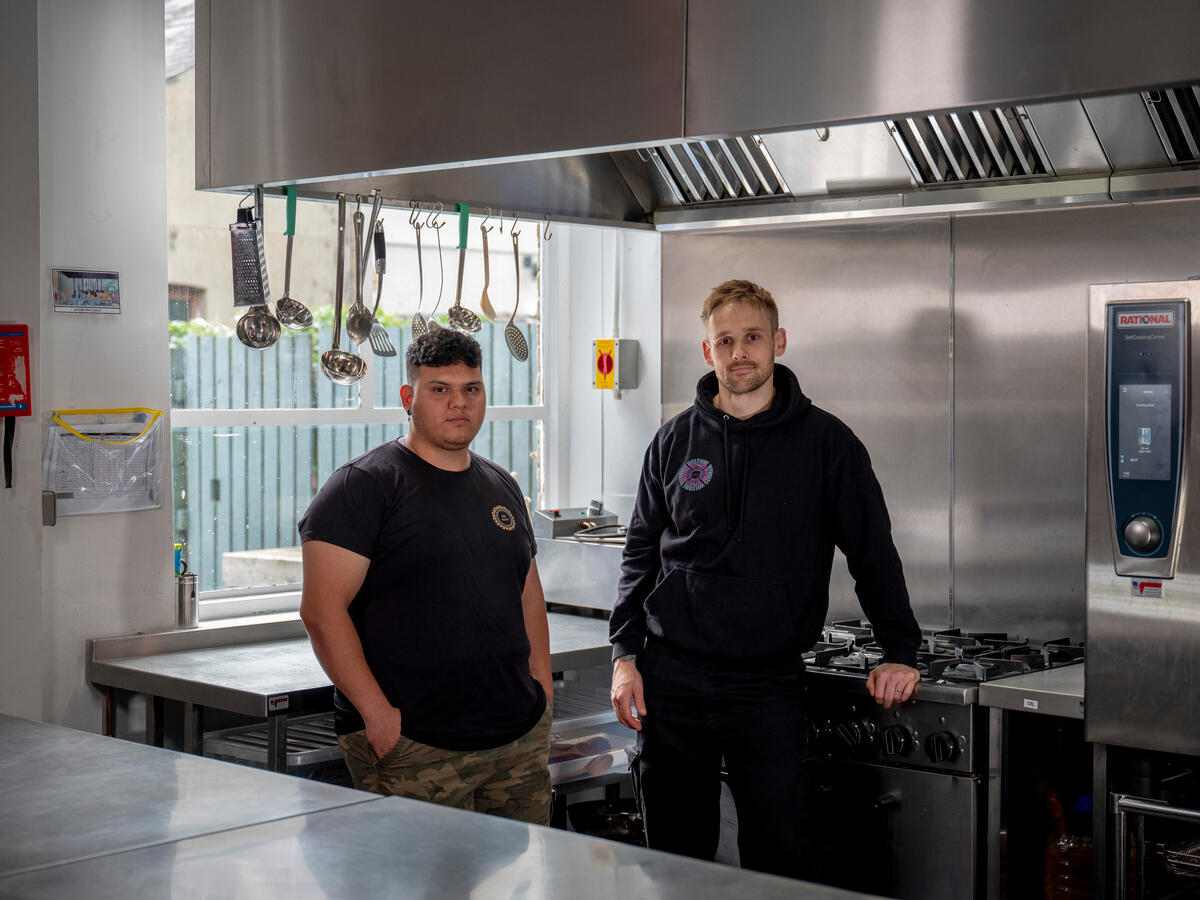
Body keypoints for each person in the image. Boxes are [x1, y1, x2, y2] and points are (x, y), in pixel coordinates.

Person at [609, 278, 922, 879]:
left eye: (752, 337)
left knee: (781, 859)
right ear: (707, 352)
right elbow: (640, 555)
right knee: (673, 858)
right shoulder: (673, 441)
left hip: (767, 683)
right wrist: (625, 654)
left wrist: (900, 650)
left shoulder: (828, 443)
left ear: (778, 341)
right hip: (671, 680)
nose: (738, 352)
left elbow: (873, 554)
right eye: (724, 340)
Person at [299, 327, 553, 824]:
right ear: (408, 397)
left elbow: (526, 594)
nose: (459, 403)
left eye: (471, 389)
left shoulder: (500, 484)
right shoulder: (363, 487)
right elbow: (321, 611)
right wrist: (377, 715)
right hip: (417, 744)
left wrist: (540, 688)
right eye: (440, 389)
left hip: (516, 738)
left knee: (523, 884)